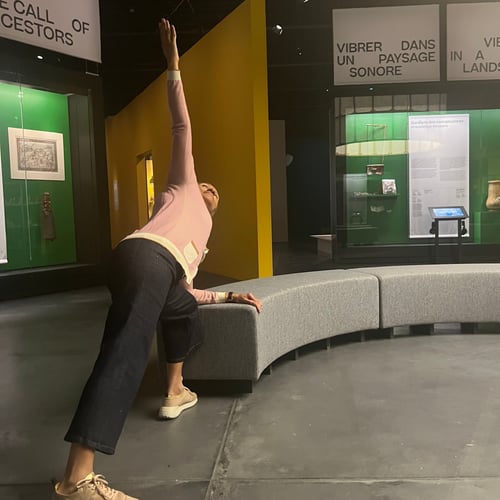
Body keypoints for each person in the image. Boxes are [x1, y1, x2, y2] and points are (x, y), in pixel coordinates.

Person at [52, 18, 262, 500]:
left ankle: (174, 390)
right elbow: (182, 125)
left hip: (156, 269)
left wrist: (231, 295)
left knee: (182, 309)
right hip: (145, 254)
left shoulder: (202, 238)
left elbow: (186, 291)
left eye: (214, 191)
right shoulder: (180, 187)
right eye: (205, 183)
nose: (208, 187)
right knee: (125, 351)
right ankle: (76, 478)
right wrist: (172, 65)